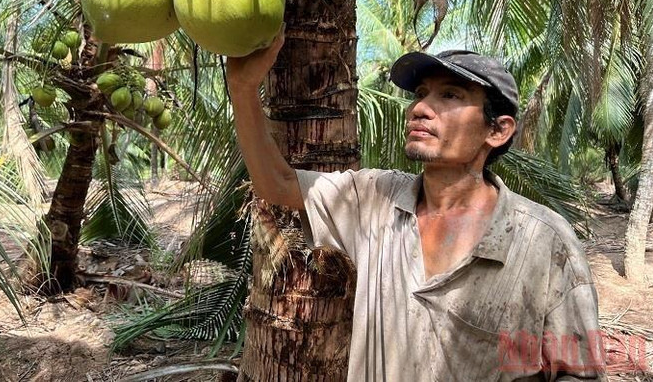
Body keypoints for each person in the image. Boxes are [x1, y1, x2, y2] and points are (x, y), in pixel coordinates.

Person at [226, 35, 606, 382]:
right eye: (421, 93)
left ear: (498, 130)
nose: (421, 107)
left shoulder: (542, 242)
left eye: (451, 96)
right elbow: (279, 186)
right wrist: (243, 90)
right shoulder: (375, 199)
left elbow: (577, 373)